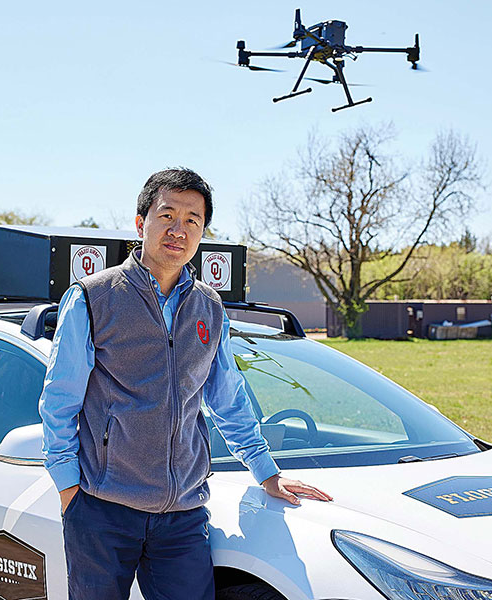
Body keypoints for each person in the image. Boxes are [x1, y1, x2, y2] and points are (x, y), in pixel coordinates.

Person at [39, 168, 331, 600]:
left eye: (193, 220)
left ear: (203, 232)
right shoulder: (93, 297)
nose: (179, 230)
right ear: (141, 224)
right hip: (102, 510)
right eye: (168, 216)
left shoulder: (209, 307)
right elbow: (59, 402)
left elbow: (227, 399)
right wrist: (69, 490)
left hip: (183, 516)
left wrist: (266, 471)